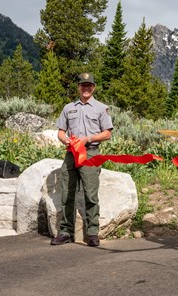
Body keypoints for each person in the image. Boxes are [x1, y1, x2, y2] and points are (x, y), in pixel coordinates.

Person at [51, 72, 113, 247]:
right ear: (78, 87)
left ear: (93, 87)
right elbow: (61, 131)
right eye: (83, 85)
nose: (86, 88)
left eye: (89, 85)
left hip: (91, 154)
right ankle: (65, 232)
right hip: (71, 155)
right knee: (67, 194)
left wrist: (88, 139)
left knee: (91, 194)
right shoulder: (68, 108)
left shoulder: (101, 108)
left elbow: (107, 133)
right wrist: (65, 139)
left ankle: (92, 233)